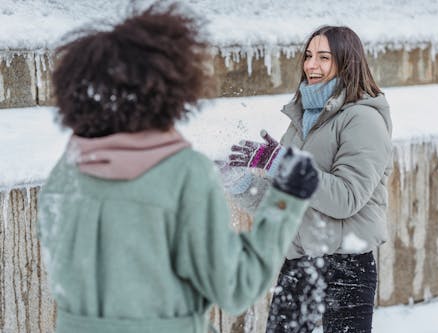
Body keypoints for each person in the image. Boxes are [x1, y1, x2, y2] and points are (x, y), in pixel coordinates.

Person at [36, 4, 320, 333]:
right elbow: (236, 286)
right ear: (170, 91)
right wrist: (285, 198)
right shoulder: (183, 173)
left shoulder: (65, 174)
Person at [221, 26, 393, 332]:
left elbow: (346, 199)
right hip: (300, 261)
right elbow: (282, 208)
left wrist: (284, 164)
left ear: (347, 62)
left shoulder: (363, 119)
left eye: (324, 57)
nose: (311, 65)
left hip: (346, 266)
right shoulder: (301, 122)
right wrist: (242, 185)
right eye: (309, 56)